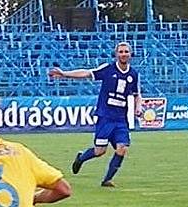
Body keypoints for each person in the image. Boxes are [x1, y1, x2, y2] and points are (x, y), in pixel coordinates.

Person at [48, 42, 141, 187]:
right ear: (116, 54)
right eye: (121, 52)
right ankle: (81, 158)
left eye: (126, 52)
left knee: (122, 148)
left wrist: (138, 107)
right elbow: (86, 73)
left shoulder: (133, 74)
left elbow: (136, 94)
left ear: (130, 54)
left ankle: (107, 180)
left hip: (120, 120)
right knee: (99, 151)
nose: (123, 54)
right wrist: (65, 74)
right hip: (105, 117)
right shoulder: (108, 69)